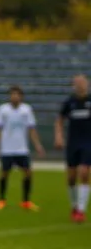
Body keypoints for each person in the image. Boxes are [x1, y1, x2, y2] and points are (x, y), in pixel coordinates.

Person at [0, 86, 45, 211]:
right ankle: (1, 199)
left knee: (28, 173)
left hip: (22, 149)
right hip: (7, 149)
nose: (14, 97)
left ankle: (25, 201)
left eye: (17, 94)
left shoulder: (26, 109)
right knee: (4, 173)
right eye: (12, 94)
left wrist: (37, 144)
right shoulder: (3, 110)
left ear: (21, 96)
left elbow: (31, 129)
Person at [55, 74, 91, 223]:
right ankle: (74, 205)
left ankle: (81, 210)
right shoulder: (69, 102)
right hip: (73, 143)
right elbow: (59, 120)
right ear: (73, 86)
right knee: (71, 177)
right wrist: (58, 136)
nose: (81, 85)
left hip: (88, 142)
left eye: (83, 82)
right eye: (77, 83)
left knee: (84, 172)